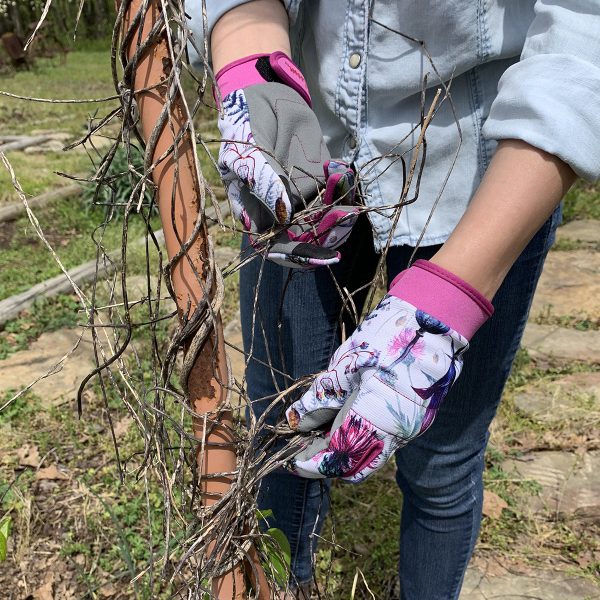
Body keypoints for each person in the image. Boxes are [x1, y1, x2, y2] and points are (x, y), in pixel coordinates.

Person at [189, 1, 600, 598]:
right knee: (282, 425)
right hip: (305, 145)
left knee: (442, 460)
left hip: (484, 166)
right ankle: (282, 586)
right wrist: (253, 65)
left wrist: (452, 296)